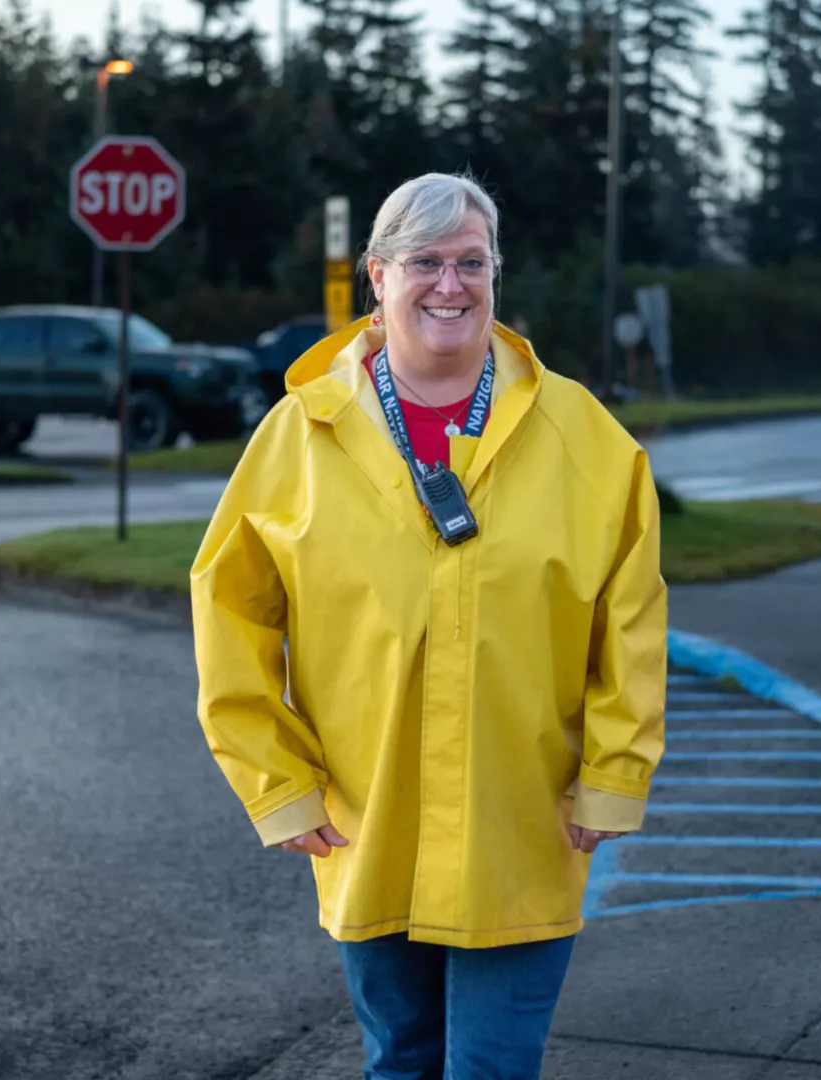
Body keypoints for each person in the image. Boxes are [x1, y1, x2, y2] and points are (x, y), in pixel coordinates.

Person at [190, 172, 668, 1079]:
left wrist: (613, 776)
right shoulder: (302, 434)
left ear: (496, 275)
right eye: (425, 262)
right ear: (377, 275)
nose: (450, 285)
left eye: (471, 263)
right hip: (363, 822)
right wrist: (275, 782)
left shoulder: (585, 437)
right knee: (401, 1062)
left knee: (491, 1067)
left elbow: (632, 618)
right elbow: (229, 609)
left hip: (523, 822)